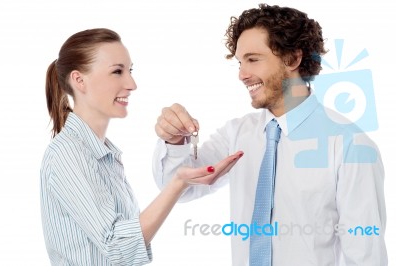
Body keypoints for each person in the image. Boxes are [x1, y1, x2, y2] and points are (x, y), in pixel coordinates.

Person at [152, 4, 387, 265]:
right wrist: (174, 142)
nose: (242, 74)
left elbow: (365, 256)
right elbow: (180, 188)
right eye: (240, 63)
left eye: (253, 60)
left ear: (293, 59)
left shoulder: (350, 146)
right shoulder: (236, 134)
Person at [40, 28, 243, 266]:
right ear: (79, 80)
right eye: (117, 72)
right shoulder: (68, 154)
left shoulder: (101, 153)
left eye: (130, 70)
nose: (132, 84)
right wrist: (178, 182)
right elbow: (119, 248)